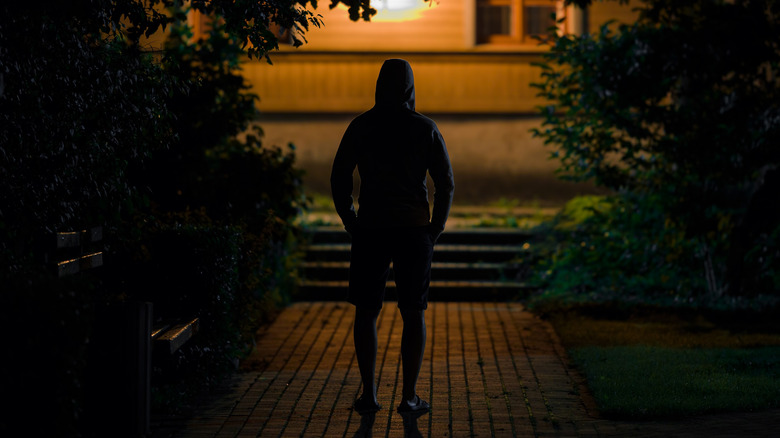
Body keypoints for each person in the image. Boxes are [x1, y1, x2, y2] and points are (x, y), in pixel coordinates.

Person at [330, 59, 455, 415]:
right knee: (413, 311)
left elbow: (339, 177)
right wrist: (435, 228)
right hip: (414, 229)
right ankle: (409, 396)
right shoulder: (424, 128)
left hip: (370, 228)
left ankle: (369, 393)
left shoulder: (362, 126)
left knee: (366, 311)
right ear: (410, 88)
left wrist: (349, 219)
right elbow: (445, 183)